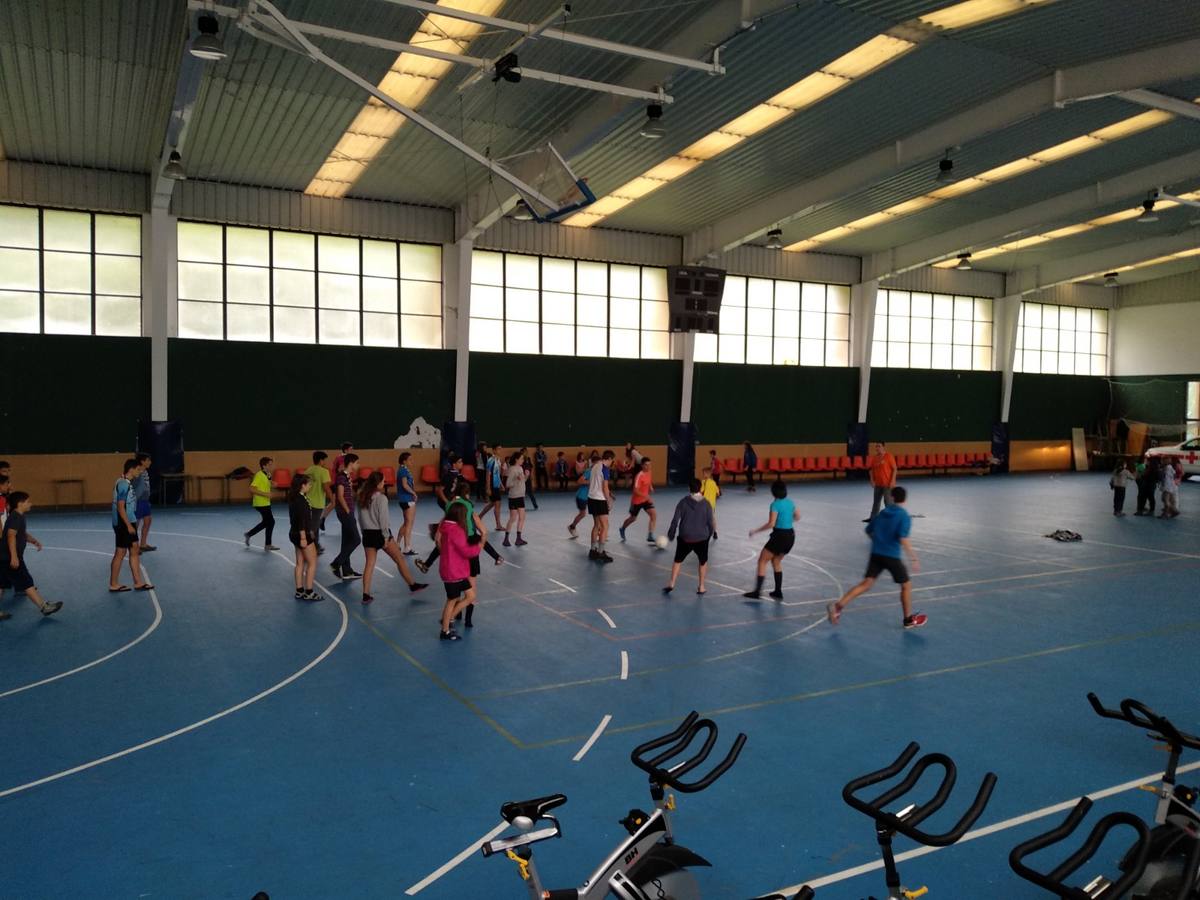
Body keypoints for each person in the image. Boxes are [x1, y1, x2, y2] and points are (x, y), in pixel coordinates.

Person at [827, 486, 926, 629]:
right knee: (906, 585)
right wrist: (914, 558)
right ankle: (908, 620)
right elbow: (903, 539)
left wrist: (878, 542)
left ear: (891, 497)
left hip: (876, 554)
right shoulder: (903, 516)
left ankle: (838, 606)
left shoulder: (883, 512)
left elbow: (868, 531)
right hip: (892, 556)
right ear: (905, 499)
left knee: (866, 584)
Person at [356, 471, 427, 604]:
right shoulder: (381, 498)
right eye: (383, 481)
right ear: (378, 483)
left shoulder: (362, 496)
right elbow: (383, 520)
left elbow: (360, 518)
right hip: (380, 534)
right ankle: (412, 584)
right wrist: (385, 537)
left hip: (367, 533)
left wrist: (363, 532)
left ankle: (365, 594)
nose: (384, 483)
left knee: (369, 564)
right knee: (399, 558)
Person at [0, 491, 63, 618]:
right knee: (26, 582)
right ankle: (44, 607)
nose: (31, 504)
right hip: (10, 557)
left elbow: (21, 534)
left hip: (4, 557)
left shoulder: (19, 516)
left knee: (1, 584)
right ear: (20, 504)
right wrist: (14, 556)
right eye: (28, 501)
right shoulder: (16, 517)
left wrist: (33, 540)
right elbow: (11, 536)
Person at [743, 479, 798, 600]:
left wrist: (755, 531)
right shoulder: (790, 503)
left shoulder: (775, 505)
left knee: (762, 561)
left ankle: (757, 592)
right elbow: (797, 516)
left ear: (773, 492)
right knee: (776, 561)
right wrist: (787, 519)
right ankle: (778, 591)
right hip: (790, 536)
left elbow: (771, 524)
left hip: (779, 536)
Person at [662, 479, 715, 596]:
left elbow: (675, 520)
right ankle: (701, 586)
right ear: (701, 488)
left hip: (685, 537)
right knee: (703, 561)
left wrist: (671, 533)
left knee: (677, 560)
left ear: (689, 489)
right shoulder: (707, 504)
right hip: (702, 538)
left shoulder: (683, 502)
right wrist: (709, 534)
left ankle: (671, 583)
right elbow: (710, 522)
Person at [437, 503, 481, 641]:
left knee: (470, 596)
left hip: (455, 570)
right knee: (452, 600)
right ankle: (445, 630)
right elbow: (466, 551)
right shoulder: (455, 530)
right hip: (454, 572)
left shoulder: (445, 527)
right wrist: (479, 546)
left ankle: (448, 619)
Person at [110, 457, 152, 592]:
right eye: (138, 470)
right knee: (120, 552)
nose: (140, 472)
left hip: (130, 521)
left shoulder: (127, 483)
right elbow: (121, 507)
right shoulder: (123, 484)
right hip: (124, 524)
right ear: (131, 469)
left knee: (134, 549)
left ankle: (138, 582)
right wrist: (128, 525)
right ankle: (113, 584)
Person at [287, 473, 320, 601]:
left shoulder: (294, 498)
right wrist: (304, 537)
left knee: (299, 562)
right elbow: (301, 520)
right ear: (302, 485)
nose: (310, 486)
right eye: (309, 484)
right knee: (312, 562)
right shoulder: (301, 501)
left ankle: (299, 590)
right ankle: (309, 592)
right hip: (301, 534)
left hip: (293, 533)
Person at [330, 453, 362, 579]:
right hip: (345, 512)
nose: (359, 465)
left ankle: (347, 570)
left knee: (347, 540)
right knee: (356, 539)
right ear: (351, 463)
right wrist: (348, 510)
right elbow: (340, 495)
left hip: (348, 511)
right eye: (357, 463)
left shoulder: (347, 476)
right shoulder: (341, 477)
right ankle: (336, 563)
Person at [244, 457, 279, 550]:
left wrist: (273, 483)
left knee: (268, 522)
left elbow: (268, 482)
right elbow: (251, 488)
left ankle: (249, 534)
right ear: (264, 466)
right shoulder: (259, 475)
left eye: (272, 464)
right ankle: (267, 544)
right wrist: (266, 494)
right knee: (270, 522)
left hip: (266, 502)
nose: (272, 466)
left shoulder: (268, 474)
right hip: (260, 503)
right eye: (270, 464)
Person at [619, 457, 657, 544]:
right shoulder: (639, 476)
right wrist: (646, 496)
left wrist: (650, 487)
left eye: (649, 465)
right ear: (642, 465)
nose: (648, 467)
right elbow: (635, 490)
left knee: (653, 515)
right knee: (633, 518)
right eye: (646, 465)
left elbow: (649, 481)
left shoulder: (649, 472)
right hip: (636, 501)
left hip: (645, 500)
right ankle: (622, 528)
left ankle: (650, 535)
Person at [588, 450, 615, 562]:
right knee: (605, 526)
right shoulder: (605, 468)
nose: (611, 463)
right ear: (609, 459)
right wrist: (609, 501)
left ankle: (593, 550)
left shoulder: (594, 466)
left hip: (591, 498)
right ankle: (601, 552)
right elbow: (605, 487)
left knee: (596, 525)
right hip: (600, 499)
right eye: (611, 461)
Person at [304, 451, 333, 555]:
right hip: (317, 503)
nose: (326, 462)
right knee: (314, 527)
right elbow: (326, 487)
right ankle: (309, 547)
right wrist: (332, 499)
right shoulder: (323, 471)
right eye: (325, 460)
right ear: (321, 460)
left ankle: (316, 545)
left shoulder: (308, 470)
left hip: (307, 502)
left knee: (313, 525)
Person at [865, 442, 898, 522]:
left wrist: (892, 481)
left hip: (887, 484)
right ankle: (873, 518)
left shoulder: (889, 456)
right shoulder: (874, 458)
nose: (877, 448)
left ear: (883, 447)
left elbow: (894, 469)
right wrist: (872, 480)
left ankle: (891, 518)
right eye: (876, 446)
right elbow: (871, 470)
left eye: (879, 446)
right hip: (878, 484)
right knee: (876, 502)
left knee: (888, 502)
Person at [503, 451, 529, 547]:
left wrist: (526, 476)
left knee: (514, 518)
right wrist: (516, 479)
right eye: (521, 458)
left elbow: (522, 481)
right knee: (520, 517)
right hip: (516, 496)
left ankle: (507, 539)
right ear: (516, 459)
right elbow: (508, 484)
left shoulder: (520, 468)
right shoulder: (512, 469)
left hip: (519, 495)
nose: (523, 460)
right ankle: (516, 539)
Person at [396, 452, 418, 554]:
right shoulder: (403, 471)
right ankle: (407, 547)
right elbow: (405, 485)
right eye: (410, 460)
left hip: (403, 499)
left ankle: (397, 543)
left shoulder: (403, 470)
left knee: (406, 523)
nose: (412, 461)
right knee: (409, 524)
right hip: (407, 499)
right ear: (404, 461)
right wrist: (413, 493)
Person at [134, 451, 155, 552]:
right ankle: (134, 547)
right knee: (135, 524)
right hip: (138, 502)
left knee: (148, 521)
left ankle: (143, 544)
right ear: (142, 461)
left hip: (145, 501)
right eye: (148, 460)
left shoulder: (145, 471)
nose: (150, 462)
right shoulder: (137, 472)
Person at [481, 444, 506, 529]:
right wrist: (488, 488)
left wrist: (501, 484)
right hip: (492, 485)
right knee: (497, 504)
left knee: (492, 503)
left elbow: (497, 474)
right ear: (494, 450)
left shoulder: (498, 460)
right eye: (498, 449)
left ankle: (479, 516)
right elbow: (488, 474)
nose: (500, 450)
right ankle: (498, 525)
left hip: (496, 485)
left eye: (500, 449)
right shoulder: (491, 460)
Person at [567, 467, 590, 538]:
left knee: (598, 514)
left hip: (591, 496)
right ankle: (572, 527)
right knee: (582, 514)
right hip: (582, 496)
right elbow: (579, 481)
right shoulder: (589, 471)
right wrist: (590, 482)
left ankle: (600, 531)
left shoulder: (600, 472)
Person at [700, 466, 721, 539]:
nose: (703, 475)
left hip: (704, 504)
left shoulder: (703, 482)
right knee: (712, 518)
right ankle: (715, 533)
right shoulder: (714, 483)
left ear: (707, 474)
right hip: (712, 504)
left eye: (703, 473)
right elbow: (718, 493)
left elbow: (700, 491)